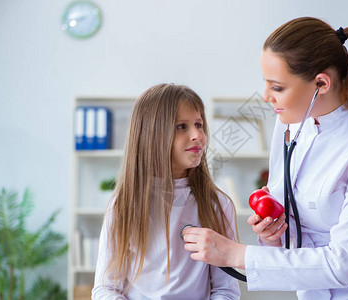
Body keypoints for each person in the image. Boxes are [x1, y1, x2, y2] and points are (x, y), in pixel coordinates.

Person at [183, 17, 348, 299]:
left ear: (321, 83)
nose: (266, 96)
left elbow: (343, 264)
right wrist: (273, 235)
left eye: (277, 87)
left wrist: (235, 254)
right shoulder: (288, 126)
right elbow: (295, 227)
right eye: (266, 84)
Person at [92, 83, 240, 299]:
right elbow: (106, 288)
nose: (197, 135)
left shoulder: (217, 204)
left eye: (199, 125)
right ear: (152, 135)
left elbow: (225, 290)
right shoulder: (123, 206)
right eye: (182, 126)